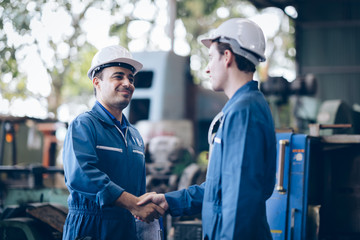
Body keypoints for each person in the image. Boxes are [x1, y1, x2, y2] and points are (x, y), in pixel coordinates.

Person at [138, 18, 277, 239]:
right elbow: (218, 190)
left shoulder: (244, 113)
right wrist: (169, 200)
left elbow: (240, 200)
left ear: (228, 57)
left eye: (211, 58)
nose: (207, 68)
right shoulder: (240, 109)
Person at [62, 45, 165, 240]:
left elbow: (138, 189)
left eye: (131, 78)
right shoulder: (84, 125)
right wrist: (132, 203)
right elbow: (81, 175)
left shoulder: (134, 135)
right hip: (91, 228)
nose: (127, 83)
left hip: (126, 228)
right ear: (97, 82)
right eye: (118, 76)